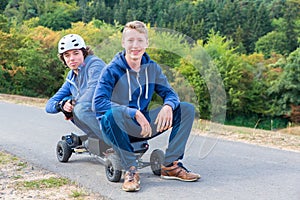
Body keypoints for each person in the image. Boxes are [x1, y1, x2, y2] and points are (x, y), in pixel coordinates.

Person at [93, 21, 201, 192]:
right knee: (110, 114)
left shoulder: (152, 68)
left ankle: (170, 166)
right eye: (130, 41)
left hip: (142, 126)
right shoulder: (111, 70)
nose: (135, 46)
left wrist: (168, 106)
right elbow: (98, 103)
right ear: (123, 43)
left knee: (186, 109)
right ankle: (131, 170)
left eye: (140, 41)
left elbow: (171, 94)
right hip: (117, 128)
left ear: (146, 43)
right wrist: (133, 112)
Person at [45, 34, 106, 150]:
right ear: (63, 59)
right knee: (65, 103)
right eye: (67, 55)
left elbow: (93, 92)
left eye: (76, 53)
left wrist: (74, 103)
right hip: (99, 117)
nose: (71, 58)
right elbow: (49, 105)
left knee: (79, 107)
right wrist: (62, 105)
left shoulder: (95, 65)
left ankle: (112, 140)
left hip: (116, 112)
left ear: (84, 53)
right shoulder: (71, 77)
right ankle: (96, 137)